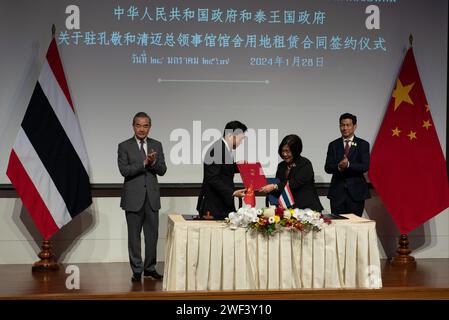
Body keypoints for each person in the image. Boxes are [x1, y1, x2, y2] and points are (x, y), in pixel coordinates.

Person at [117, 112, 167, 282]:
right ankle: (137, 270)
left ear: (149, 127)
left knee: (152, 236)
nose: (142, 129)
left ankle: (150, 268)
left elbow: (162, 170)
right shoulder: (124, 146)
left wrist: (153, 163)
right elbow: (124, 171)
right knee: (134, 236)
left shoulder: (157, 145)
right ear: (133, 126)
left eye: (145, 126)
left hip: (151, 198)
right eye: (138, 125)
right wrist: (143, 163)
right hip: (133, 198)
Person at [196, 121, 248, 220]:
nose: (240, 143)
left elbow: (224, 170)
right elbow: (212, 178)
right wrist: (232, 192)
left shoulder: (224, 148)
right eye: (240, 139)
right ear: (230, 135)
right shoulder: (217, 150)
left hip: (222, 204)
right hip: (214, 206)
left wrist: (239, 166)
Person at [259, 134, 323, 212]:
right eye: (283, 151)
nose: (284, 154)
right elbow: (279, 185)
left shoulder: (305, 164)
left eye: (287, 151)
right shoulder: (281, 166)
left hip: (307, 209)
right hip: (288, 209)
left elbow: (295, 183)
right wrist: (264, 186)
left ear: (296, 151)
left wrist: (274, 186)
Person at [324, 113, 370, 217]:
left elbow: (364, 166)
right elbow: (327, 167)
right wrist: (339, 166)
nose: (345, 128)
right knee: (337, 226)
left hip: (356, 194)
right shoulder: (333, 145)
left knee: (354, 227)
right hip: (337, 193)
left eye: (348, 125)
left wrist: (349, 165)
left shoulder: (363, 144)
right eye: (342, 125)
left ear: (355, 126)